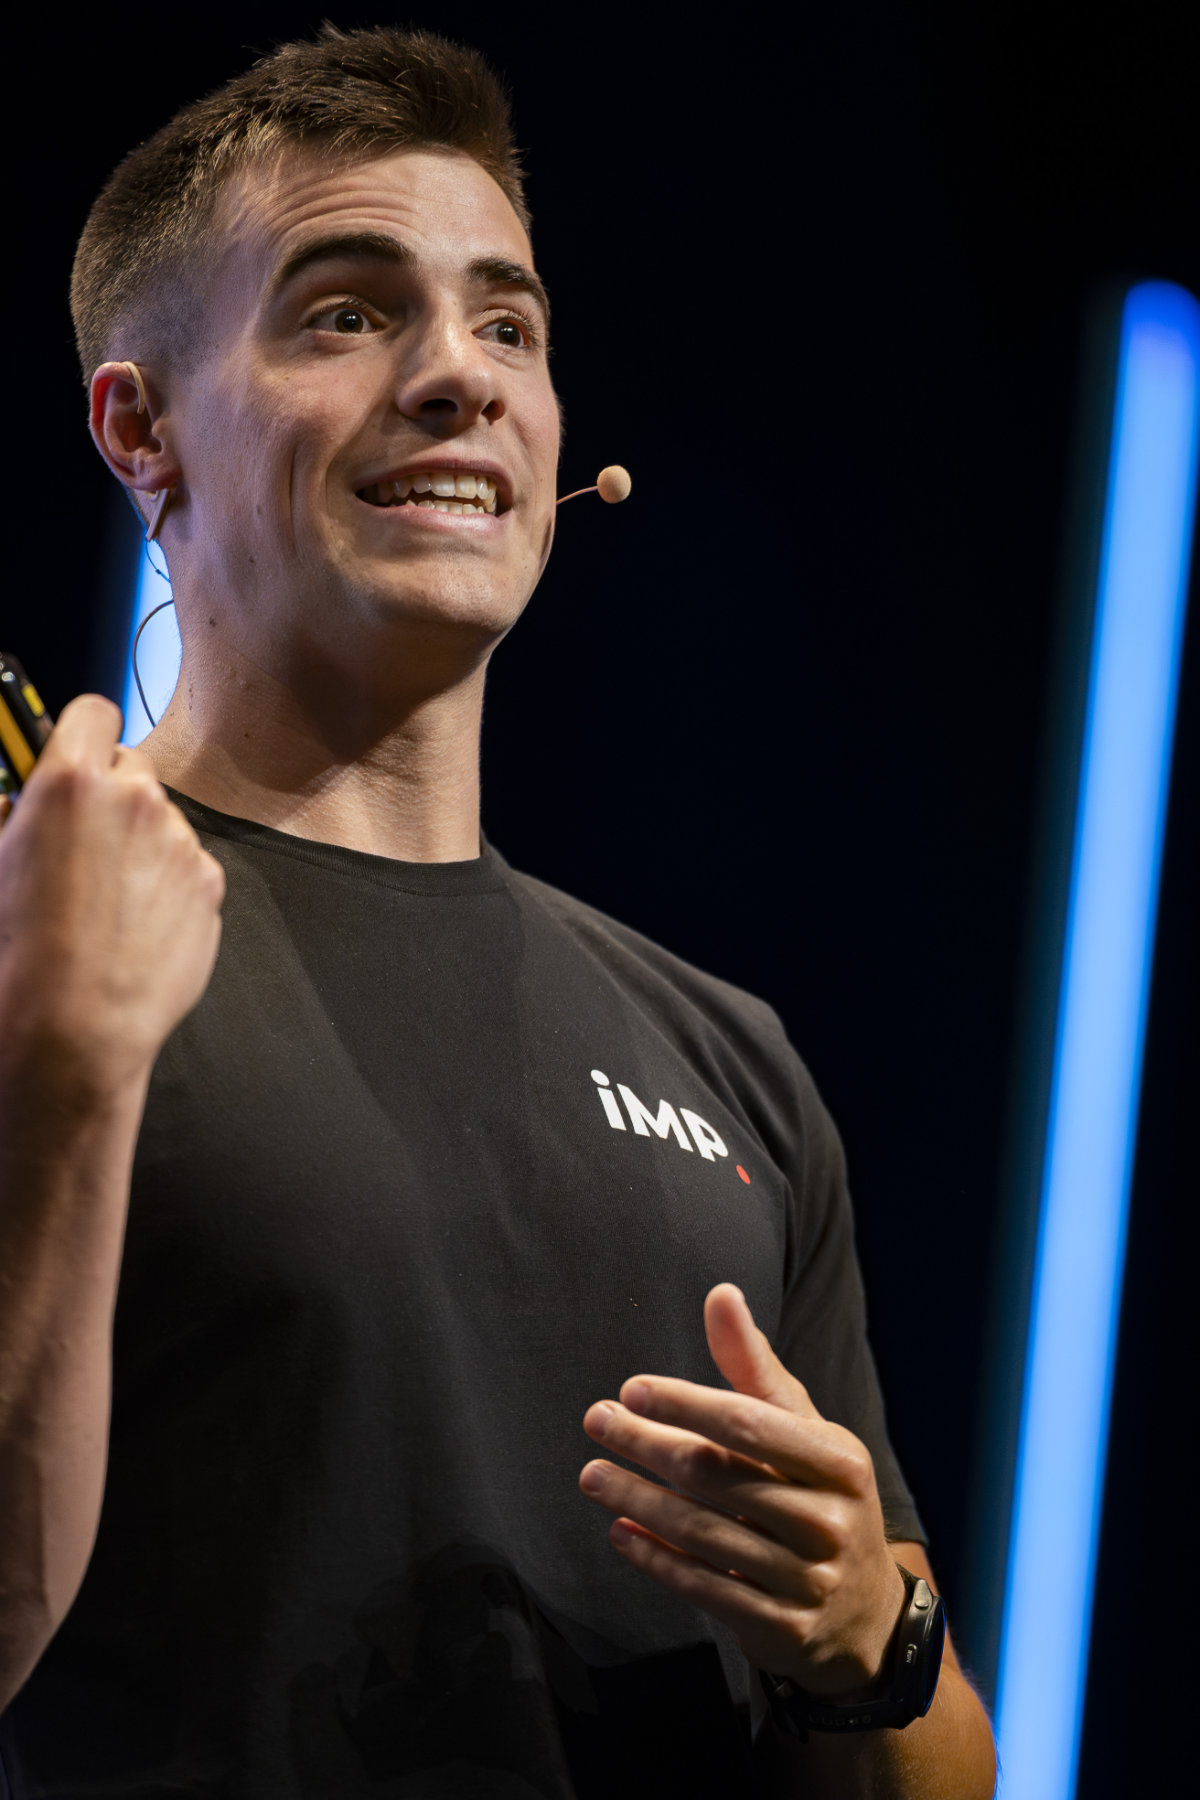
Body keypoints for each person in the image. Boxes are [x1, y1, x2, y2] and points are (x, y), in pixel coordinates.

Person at [0, 25, 996, 1797]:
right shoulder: (33, 944)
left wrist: (871, 1633)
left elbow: (949, 1763)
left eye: (510, 326)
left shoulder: (731, 1060)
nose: (462, 376)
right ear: (140, 427)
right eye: (346, 313)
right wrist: (62, 1070)